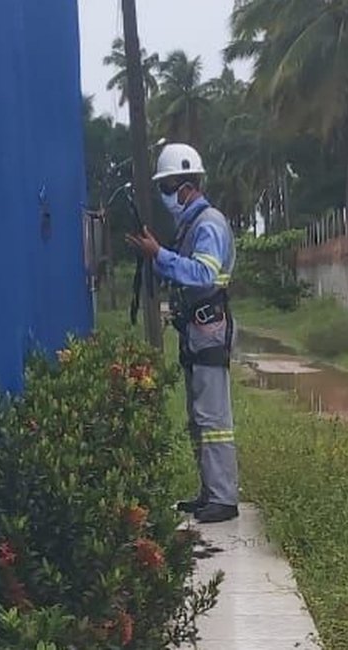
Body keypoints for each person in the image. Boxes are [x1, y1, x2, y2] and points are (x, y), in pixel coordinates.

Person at [126, 143, 239, 524]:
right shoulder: (189, 225)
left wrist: (159, 255)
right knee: (198, 416)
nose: (165, 196)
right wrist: (155, 256)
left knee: (213, 419)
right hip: (195, 328)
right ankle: (210, 492)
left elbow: (204, 274)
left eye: (167, 187)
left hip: (209, 327)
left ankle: (224, 497)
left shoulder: (208, 224)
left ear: (186, 186)